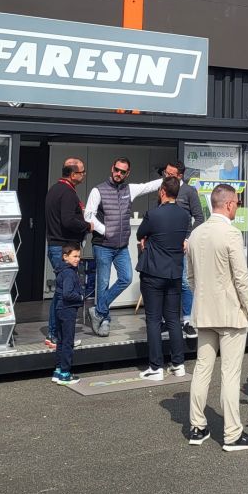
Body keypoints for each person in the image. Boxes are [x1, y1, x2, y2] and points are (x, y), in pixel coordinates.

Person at [186, 184, 248, 451]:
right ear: (229, 204)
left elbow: (191, 278)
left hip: (203, 312)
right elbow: (241, 277)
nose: (237, 208)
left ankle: (197, 426)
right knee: (230, 373)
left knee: (202, 369)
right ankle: (232, 434)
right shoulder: (230, 234)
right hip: (230, 312)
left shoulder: (195, 234)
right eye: (237, 204)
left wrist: (203, 297)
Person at [84, 158, 162, 337]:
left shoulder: (129, 190)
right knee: (102, 284)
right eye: (116, 170)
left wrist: (171, 178)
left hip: (121, 247)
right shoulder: (98, 190)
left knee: (126, 277)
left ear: (128, 173)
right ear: (112, 168)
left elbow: (148, 186)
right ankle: (104, 320)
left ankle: (98, 310)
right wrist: (106, 231)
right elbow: (88, 216)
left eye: (122, 171)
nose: (118, 174)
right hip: (103, 245)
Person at [135, 177, 191, 380]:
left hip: (153, 273)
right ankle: (178, 364)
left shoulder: (153, 214)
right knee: (174, 320)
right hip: (174, 273)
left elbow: (140, 234)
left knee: (153, 319)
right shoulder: (185, 216)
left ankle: (156, 367)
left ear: (162, 191)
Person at [44, 158, 88, 349]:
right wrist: (87, 225)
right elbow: (68, 221)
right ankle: (55, 335)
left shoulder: (54, 190)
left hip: (56, 245)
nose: (84, 175)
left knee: (61, 292)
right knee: (63, 294)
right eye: (82, 172)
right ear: (73, 174)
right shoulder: (68, 193)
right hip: (63, 247)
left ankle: (56, 335)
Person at [163, 161, 206, 336]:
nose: (167, 176)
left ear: (180, 176)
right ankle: (168, 319)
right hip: (165, 244)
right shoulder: (163, 188)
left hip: (183, 244)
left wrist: (189, 238)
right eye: (166, 173)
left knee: (185, 281)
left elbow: (199, 218)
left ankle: (188, 319)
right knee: (166, 280)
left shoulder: (189, 191)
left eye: (171, 174)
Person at [51, 243, 85, 386]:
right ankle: (65, 373)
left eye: (79, 256)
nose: (78, 259)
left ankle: (58, 370)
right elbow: (68, 293)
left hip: (59, 309)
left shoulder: (61, 271)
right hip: (68, 310)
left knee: (60, 340)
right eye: (75, 256)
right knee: (68, 342)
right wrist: (81, 297)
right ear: (65, 257)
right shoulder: (70, 273)